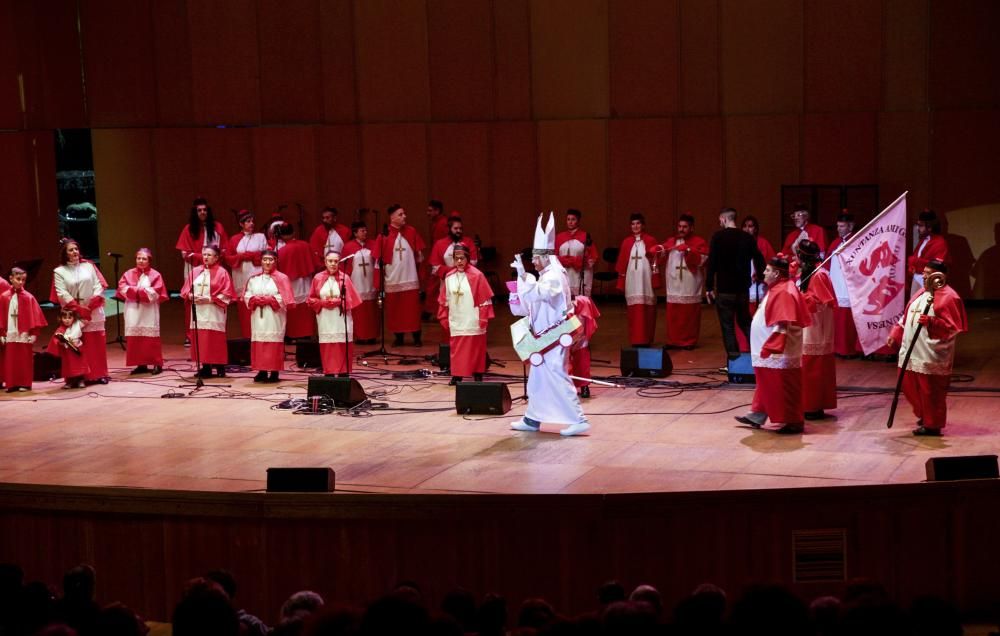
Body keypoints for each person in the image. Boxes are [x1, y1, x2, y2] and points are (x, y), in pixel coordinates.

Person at [510, 213, 590, 436]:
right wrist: (523, 279)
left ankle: (578, 419)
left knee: (557, 374)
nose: (533, 261)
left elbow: (539, 294)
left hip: (555, 336)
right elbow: (532, 302)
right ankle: (533, 418)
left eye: (536, 257)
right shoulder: (545, 274)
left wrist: (523, 276)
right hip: (544, 335)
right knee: (537, 377)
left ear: (546, 256)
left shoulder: (554, 275)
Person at [887, 259, 967, 436]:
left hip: (930, 352)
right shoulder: (921, 293)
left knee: (930, 390)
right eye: (923, 273)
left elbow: (953, 327)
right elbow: (907, 316)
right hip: (911, 350)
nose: (924, 276)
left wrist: (932, 322)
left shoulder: (949, 297)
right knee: (909, 384)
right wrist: (895, 334)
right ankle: (925, 414)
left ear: (939, 276)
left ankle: (933, 424)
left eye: (928, 273)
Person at [735, 255, 811, 434]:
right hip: (769, 346)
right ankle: (757, 413)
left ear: (777, 273)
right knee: (767, 381)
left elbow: (782, 323)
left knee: (782, 384)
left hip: (777, 349)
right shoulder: (778, 287)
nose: (763, 273)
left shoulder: (784, 291)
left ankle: (793, 421)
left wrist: (773, 345)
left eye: (767, 270)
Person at [705, 208, 764, 361]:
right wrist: (761, 274)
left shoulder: (718, 237)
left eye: (720, 220)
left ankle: (734, 361)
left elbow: (712, 263)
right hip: (743, 290)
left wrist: (709, 286)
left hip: (725, 290)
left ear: (724, 219)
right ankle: (759, 355)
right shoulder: (747, 237)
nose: (719, 223)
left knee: (728, 326)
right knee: (745, 322)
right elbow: (758, 258)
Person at [52, 239, 110, 385]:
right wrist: (78, 308)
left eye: (76, 249)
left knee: (96, 344)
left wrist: (90, 305)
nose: (74, 252)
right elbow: (61, 292)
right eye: (70, 250)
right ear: (64, 254)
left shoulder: (89, 266)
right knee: (75, 344)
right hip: (72, 312)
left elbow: (98, 285)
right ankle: (78, 376)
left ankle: (98, 374)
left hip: (93, 310)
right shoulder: (59, 271)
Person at [437, 245, 493, 385]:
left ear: (467, 259)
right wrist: (443, 316)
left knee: (476, 348)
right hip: (457, 318)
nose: (460, 261)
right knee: (457, 349)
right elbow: (444, 299)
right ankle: (457, 375)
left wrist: (483, 317)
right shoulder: (449, 277)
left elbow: (485, 299)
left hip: (473, 317)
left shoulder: (477, 275)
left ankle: (478, 373)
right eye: (457, 259)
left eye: (462, 258)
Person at [373, 204, 425, 346]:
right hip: (393, 280)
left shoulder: (412, 232)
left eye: (404, 214)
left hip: (410, 278)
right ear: (392, 217)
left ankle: (416, 337)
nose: (404, 217)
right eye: (400, 214)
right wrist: (379, 284)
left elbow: (420, 257)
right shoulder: (383, 236)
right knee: (396, 312)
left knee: (412, 311)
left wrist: (421, 277)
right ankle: (399, 337)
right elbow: (378, 263)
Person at [180, 245, 235, 378]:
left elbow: (227, 294)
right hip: (198, 310)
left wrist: (210, 299)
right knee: (201, 338)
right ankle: (205, 367)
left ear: (216, 257)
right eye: (204, 254)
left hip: (214, 309)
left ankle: (220, 367)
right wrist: (191, 296)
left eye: (209, 255)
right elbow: (185, 290)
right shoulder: (195, 271)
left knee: (214, 338)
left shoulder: (222, 273)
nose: (205, 257)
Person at [797, 240, 837, 420]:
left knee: (814, 368)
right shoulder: (807, 273)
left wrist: (804, 299)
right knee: (808, 367)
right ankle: (808, 404)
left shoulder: (819, 275)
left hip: (817, 327)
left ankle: (813, 406)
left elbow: (824, 302)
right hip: (808, 325)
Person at [656, 214, 709, 348]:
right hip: (674, 282)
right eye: (679, 226)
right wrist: (657, 251)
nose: (681, 229)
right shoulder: (671, 241)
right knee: (673, 313)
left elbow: (704, 259)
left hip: (690, 282)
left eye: (685, 227)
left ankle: (688, 341)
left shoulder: (699, 241)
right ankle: (673, 340)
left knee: (689, 314)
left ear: (691, 228)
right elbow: (661, 255)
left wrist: (689, 250)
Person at [244, 250, 295, 383]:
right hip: (258, 316)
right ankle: (261, 370)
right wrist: (255, 299)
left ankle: (274, 372)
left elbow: (285, 297)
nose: (267, 262)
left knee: (273, 342)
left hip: (274, 316)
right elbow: (247, 295)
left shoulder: (282, 278)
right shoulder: (254, 278)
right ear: (261, 261)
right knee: (259, 342)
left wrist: (269, 300)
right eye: (265, 259)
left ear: (276, 261)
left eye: (271, 259)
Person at [308, 252, 362, 376]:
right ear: (325, 262)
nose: (333, 264)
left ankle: (343, 372)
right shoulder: (317, 278)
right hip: (325, 318)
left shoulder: (345, 278)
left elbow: (352, 300)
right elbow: (311, 300)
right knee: (328, 346)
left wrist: (339, 302)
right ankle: (329, 371)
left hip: (341, 318)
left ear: (339, 263)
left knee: (342, 345)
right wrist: (322, 302)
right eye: (330, 261)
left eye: (335, 261)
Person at [116, 248, 168, 375]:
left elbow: (155, 292)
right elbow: (122, 288)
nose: (141, 261)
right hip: (133, 309)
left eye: (144, 259)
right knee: (135, 337)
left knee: (151, 337)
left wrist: (134, 291)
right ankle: (141, 364)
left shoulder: (155, 275)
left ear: (149, 261)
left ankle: (156, 363)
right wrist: (141, 291)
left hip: (149, 310)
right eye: (138, 258)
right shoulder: (128, 273)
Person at [615, 213, 660, 347]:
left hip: (646, 281)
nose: (635, 226)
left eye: (638, 223)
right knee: (634, 311)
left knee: (647, 311)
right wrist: (621, 282)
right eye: (633, 224)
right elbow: (622, 264)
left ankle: (646, 339)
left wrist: (656, 279)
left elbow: (656, 261)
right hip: (632, 281)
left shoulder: (651, 240)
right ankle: (636, 339)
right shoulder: (626, 242)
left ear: (643, 225)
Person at [0, 267, 47, 392]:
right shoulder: (4, 297)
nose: (21, 282)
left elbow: (36, 316)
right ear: (11, 278)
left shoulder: (28, 297)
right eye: (18, 279)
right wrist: (1, 333)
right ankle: (12, 383)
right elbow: (1, 316)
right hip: (10, 332)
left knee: (24, 359)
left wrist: (34, 333)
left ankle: (25, 383)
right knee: (11, 359)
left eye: (23, 280)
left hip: (24, 333)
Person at [225, 210, 268, 338]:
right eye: (248, 221)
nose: (251, 224)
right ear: (241, 224)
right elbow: (228, 257)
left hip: (257, 271)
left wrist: (253, 255)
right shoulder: (234, 239)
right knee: (244, 304)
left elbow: (267, 254)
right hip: (241, 274)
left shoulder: (261, 237)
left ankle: (261, 333)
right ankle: (247, 334)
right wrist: (241, 257)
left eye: (252, 221)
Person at [825, 211, 862, 357]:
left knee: (846, 320)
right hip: (835, 284)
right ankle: (837, 348)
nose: (839, 229)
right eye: (838, 226)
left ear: (851, 226)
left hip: (849, 287)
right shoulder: (835, 242)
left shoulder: (857, 241)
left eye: (842, 226)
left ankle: (849, 349)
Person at [276, 223, 318, 340]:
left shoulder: (282, 251)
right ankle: (307, 333)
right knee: (305, 309)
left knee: (293, 308)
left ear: (282, 236)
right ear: (293, 232)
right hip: (306, 281)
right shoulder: (305, 245)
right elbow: (315, 264)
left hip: (291, 283)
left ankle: (293, 334)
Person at [340, 221, 378, 344]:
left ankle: (372, 336)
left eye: (366, 230)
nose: (365, 233)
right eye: (362, 231)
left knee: (371, 312)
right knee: (359, 312)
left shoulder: (373, 244)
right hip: (356, 283)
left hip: (370, 283)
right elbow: (343, 266)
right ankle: (360, 336)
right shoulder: (348, 247)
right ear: (355, 233)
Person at [555, 208, 597, 298]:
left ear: (578, 221)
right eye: (568, 219)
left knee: (579, 300)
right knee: (565, 301)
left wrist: (576, 261)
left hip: (579, 275)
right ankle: (565, 313)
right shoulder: (559, 237)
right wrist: (567, 261)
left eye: (573, 219)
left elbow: (592, 258)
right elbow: (554, 257)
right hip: (565, 273)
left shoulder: (585, 236)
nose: (570, 222)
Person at [907, 209, 949, 299]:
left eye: (921, 225)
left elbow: (937, 265)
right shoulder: (923, 241)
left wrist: (914, 261)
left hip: (929, 283)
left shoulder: (940, 242)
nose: (918, 228)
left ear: (930, 226)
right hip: (916, 281)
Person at [421, 200, 451, 320]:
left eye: (430, 210)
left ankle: (430, 311)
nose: (428, 213)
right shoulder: (438, 223)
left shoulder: (442, 224)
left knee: (433, 287)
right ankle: (431, 310)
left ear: (437, 211)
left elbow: (441, 245)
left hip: (439, 260)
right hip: (438, 259)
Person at [47, 308, 89, 389]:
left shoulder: (78, 324)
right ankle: (70, 381)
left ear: (74, 318)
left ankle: (81, 380)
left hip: (78, 348)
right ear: (61, 318)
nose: (67, 320)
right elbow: (56, 339)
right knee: (69, 367)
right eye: (64, 318)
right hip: (68, 351)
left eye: (69, 318)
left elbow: (87, 318)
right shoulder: (60, 329)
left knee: (80, 366)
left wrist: (76, 306)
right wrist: (60, 342)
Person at [570, 294, 600, 399]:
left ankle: (584, 386)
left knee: (582, 359)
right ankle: (566, 388)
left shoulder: (582, 302)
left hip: (579, 333)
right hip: (563, 332)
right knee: (563, 362)